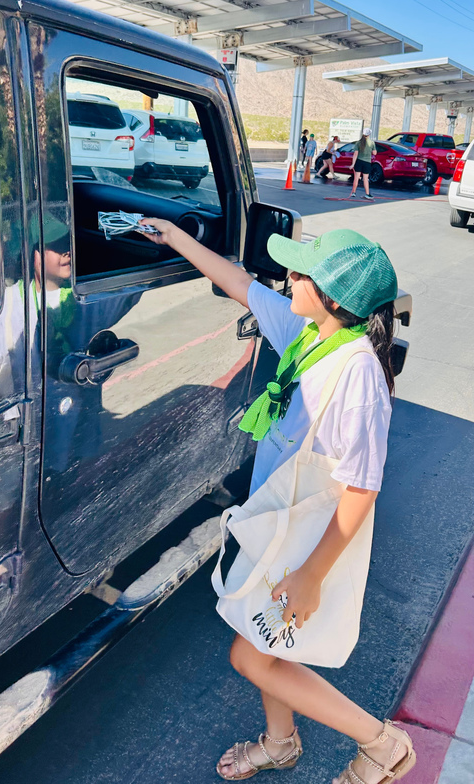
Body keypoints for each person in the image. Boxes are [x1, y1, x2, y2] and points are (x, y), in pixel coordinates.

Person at [139, 217, 415, 784]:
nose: (288, 277)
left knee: (251, 653)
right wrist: (174, 237)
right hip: (280, 518)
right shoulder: (308, 333)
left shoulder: (356, 371)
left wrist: (312, 575)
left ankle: (381, 743)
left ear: (332, 297)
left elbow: (362, 486)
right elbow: (241, 283)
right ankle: (281, 741)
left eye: (300, 272)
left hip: (312, 538)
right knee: (270, 641)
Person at [350, 128, 377, 200]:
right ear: (369, 134)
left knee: (356, 178)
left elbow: (355, 154)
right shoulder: (372, 143)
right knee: (365, 179)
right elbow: (374, 153)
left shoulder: (358, 143)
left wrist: (353, 164)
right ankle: (367, 194)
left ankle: (353, 192)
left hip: (359, 161)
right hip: (367, 162)